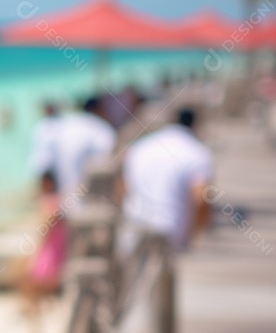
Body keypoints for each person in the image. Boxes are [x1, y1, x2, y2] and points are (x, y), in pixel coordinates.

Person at [121, 107, 215, 253]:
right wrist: (197, 233)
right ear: (195, 125)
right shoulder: (198, 152)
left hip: (134, 225)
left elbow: (122, 186)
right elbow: (202, 198)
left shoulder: (141, 146)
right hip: (171, 231)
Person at [17, 170, 68, 333]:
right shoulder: (62, 203)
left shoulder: (49, 205)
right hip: (59, 261)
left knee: (29, 291)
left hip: (49, 264)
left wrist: (31, 259)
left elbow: (42, 236)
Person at [46, 97, 116, 209]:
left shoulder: (60, 126)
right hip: (95, 207)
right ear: (98, 109)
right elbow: (109, 164)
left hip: (64, 205)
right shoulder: (101, 129)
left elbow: (45, 168)